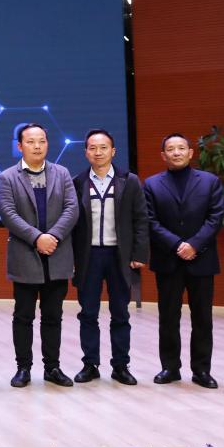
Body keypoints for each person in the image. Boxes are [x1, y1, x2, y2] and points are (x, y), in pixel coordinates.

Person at [0, 123, 79, 388]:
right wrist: (36, 238)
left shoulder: (62, 173)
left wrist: (52, 236)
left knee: (53, 316)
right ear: (19, 146)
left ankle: (52, 367)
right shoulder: (8, 177)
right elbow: (8, 214)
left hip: (57, 254)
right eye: (31, 142)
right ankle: (23, 368)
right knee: (23, 316)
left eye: (42, 141)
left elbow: (72, 209)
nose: (37, 146)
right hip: (25, 255)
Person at [143, 132, 224, 388]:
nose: (176, 153)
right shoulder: (152, 184)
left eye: (181, 148)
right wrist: (178, 245)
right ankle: (170, 367)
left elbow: (215, 218)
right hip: (168, 260)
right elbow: (150, 221)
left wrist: (194, 245)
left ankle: (201, 370)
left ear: (190, 153)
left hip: (202, 259)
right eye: (171, 149)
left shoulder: (210, 182)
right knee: (168, 317)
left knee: (203, 318)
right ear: (163, 155)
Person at [69, 129, 149, 386]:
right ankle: (90, 364)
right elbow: (71, 224)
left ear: (113, 151)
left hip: (119, 256)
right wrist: (71, 258)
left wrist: (139, 253)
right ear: (86, 152)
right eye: (92, 148)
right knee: (88, 313)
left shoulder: (130, 181)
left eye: (103, 147)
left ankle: (121, 366)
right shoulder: (78, 182)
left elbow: (141, 219)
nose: (98, 152)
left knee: (120, 313)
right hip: (88, 256)